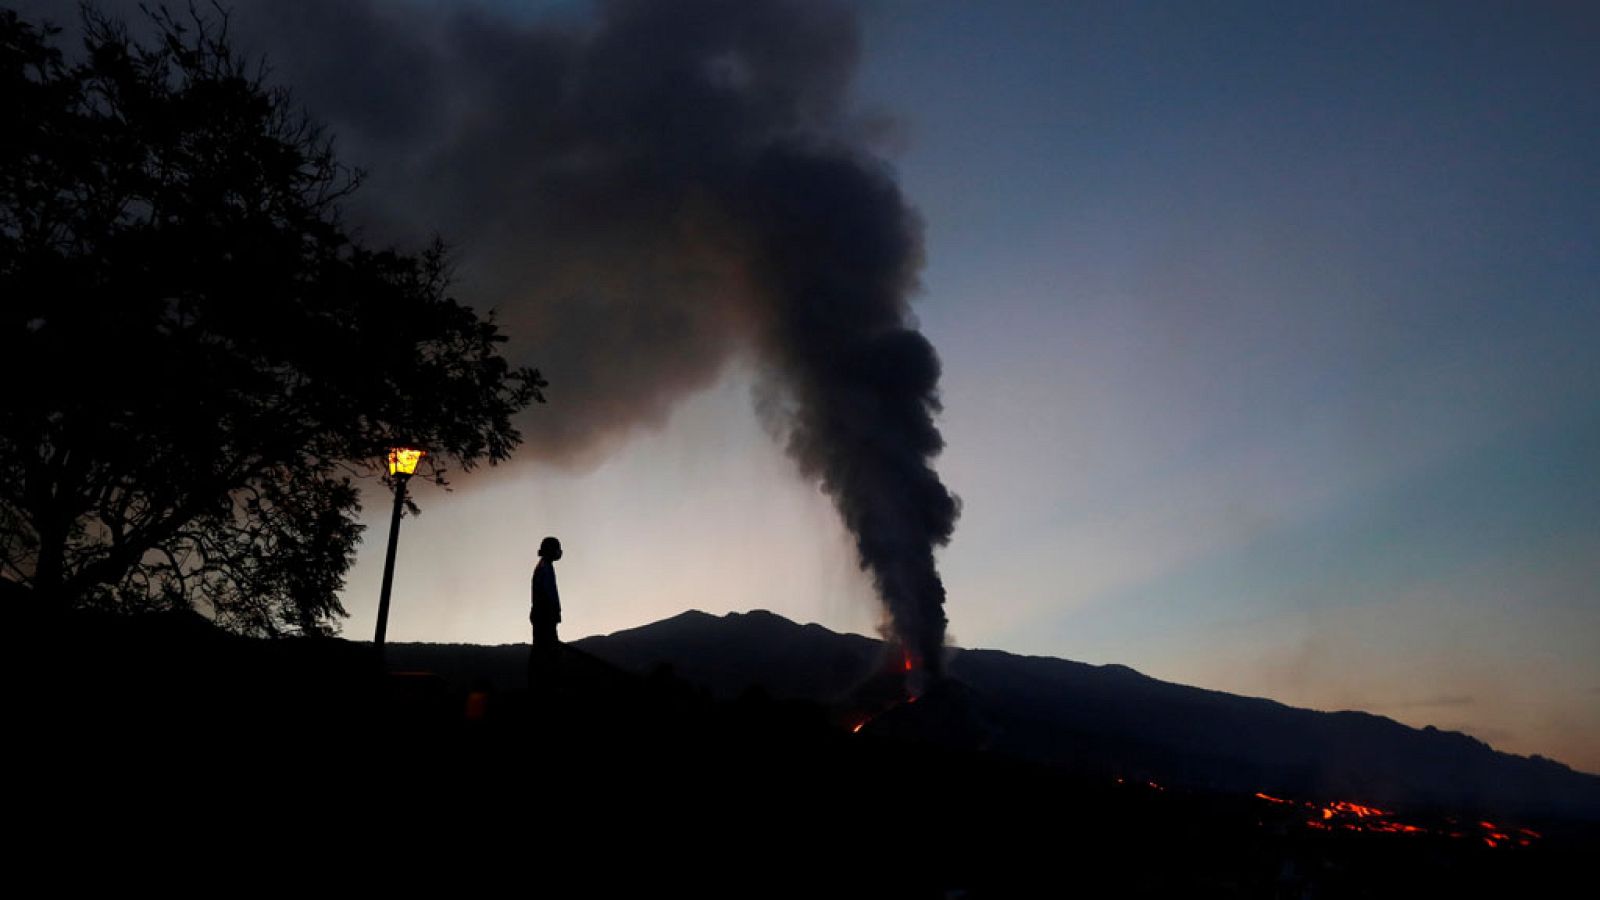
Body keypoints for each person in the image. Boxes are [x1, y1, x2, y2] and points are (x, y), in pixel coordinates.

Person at [529, 536, 563, 684]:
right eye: (556, 548)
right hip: (544, 615)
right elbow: (549, 593)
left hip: (541, 615)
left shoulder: (543, 566)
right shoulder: (545, 568)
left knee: (541, 649)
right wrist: (555, 611)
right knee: (545, 650)